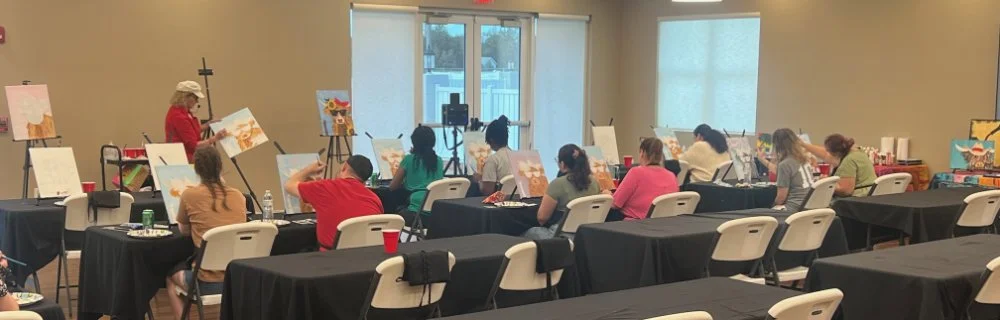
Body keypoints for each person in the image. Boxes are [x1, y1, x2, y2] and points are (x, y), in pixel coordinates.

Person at [167, 146, 247, 320]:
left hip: (206, 283)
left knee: (170, 278)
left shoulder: (190, 195)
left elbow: (183, 230)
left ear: (196, 169)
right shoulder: (238, 196)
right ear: (220, 168)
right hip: (238, 281)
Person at [285, 155, 383, 251]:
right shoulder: (374, 199)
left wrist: (308, 170)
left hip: (331, 258)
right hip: (366, 257)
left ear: (344, 167)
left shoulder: (325, 188)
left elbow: (289, 185)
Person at [523, 144, 601, 240]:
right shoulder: (594, 182)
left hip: (561, 236)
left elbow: (542, 218)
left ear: (562, 164)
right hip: (586, 235)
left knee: (526, 233)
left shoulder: (557, 184)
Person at [612, 138, 680, 220]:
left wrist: (606, 195)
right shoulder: (672, 176)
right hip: (663, 224)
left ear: (642, 153)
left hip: (632, 225)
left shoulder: (636, 173)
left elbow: (615, 204)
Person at [389, 126, 444, 223]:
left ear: (414, 142)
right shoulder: (439, 161)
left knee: (393, 214)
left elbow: (393, 186)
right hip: (437, 212)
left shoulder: (409, 159)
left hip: (417, 212)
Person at [164, 81, 227, 163]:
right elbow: (195, 146)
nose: (197, 101)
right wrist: (215, 138)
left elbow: (190, 131)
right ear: (186, 97)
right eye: (196, 98)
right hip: (183, 160)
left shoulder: (180, 111)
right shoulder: (179, 117)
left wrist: (208, 124)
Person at [801, 134, 877, 197]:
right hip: (871, 194)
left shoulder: (848, 161)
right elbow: (825, 155)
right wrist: (804, 145)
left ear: (835, 153)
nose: (827, 154)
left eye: (828, 151)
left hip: (858, 199)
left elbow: (846, 191)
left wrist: (826, 182)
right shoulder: (858, 152)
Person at [763, 128, 815, 211]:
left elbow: (781, 198)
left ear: (777, 145)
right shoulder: (805, 159)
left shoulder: (785, 164)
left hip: (794, 207)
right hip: (809, 205)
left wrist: (771, 207)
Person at [478, 115, 513, 195]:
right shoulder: (516, 157)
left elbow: (487, 191)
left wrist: (479, 180)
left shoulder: (493, 159)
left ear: (491, 140)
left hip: (499, 203)